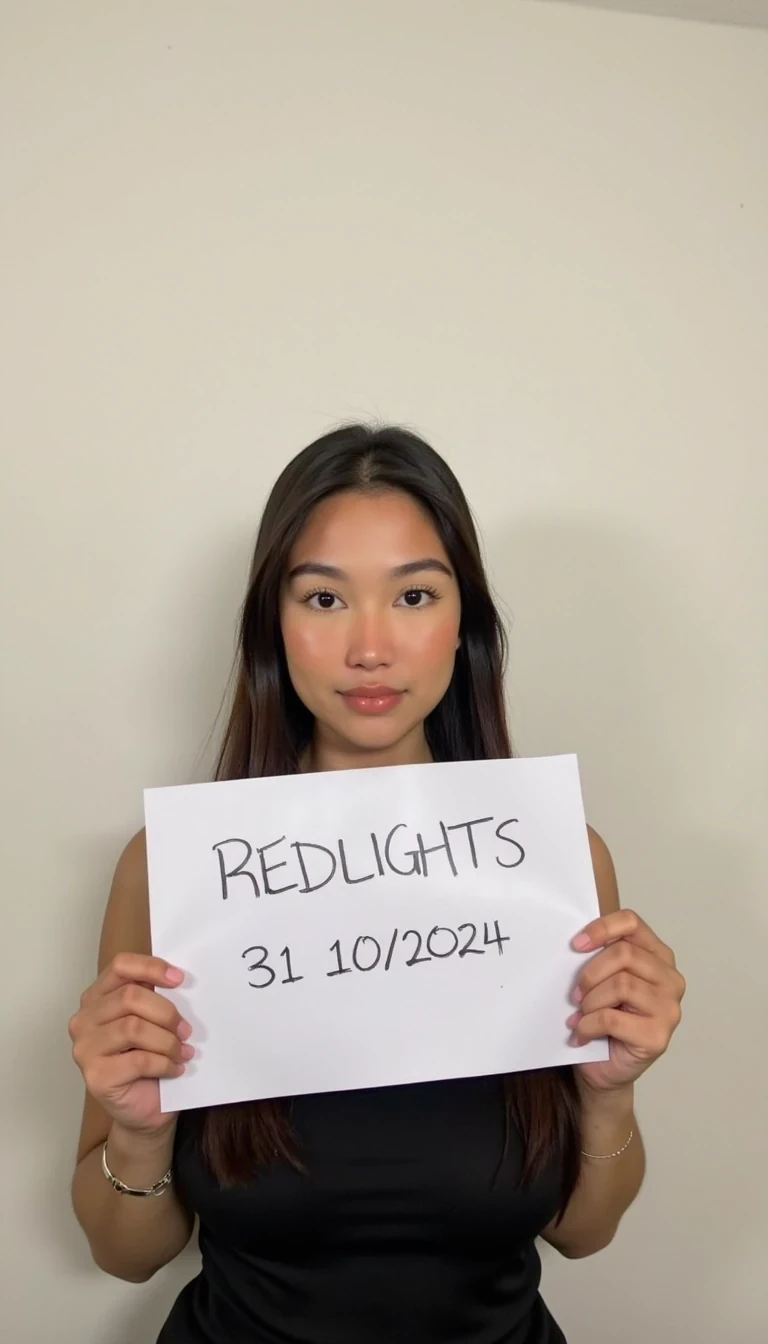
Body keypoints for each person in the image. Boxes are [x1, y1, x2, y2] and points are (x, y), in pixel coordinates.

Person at [68, 422, 685, 1343]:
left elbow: (583, 1231)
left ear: (464, 620)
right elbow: (126, 1253)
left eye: (414, 595)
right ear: (273, 625)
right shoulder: (168, 871)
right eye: (323, 597)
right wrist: (138, 1131)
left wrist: (610, 1093)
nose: (369, 647)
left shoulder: (561, 859)